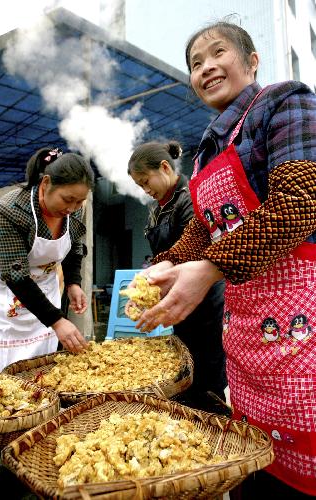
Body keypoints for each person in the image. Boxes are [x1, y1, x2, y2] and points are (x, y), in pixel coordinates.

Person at [133, 21, 316, 498]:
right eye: (196, 63)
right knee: (252, 462)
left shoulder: (284, 101)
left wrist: (210, 267)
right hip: (248, 336)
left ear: (252, 62)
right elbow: (203, 228)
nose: (206, 67)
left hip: (300, 326)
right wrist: (165, 264)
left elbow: (299, 204)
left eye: (218, 54)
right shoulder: (210, 146)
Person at [128, 140, 227, 413]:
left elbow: (191, 249)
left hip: (204, 296)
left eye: (146, 181)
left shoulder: (190, 198)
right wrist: (147, 284)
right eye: (140, 186)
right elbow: (166, 256)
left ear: (164, 167)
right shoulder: (156, 209)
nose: (146, 190)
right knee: (185, 363)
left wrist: (160, 273)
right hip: (175, 293)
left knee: (207, 366)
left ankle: (212, 417)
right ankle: (190, 412)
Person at [0, 147, 94, 372]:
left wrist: (73, 282)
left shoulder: (74, 212)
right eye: (68, 199)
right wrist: (57, 320)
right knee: (2, 365)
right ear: (45, 184)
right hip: (4, 292)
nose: (72, 208)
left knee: (42, 365)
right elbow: (16, 275)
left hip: (44, 289)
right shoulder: (11, 210)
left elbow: (74, 247)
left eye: (80, 201)